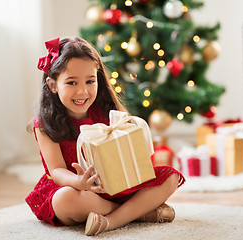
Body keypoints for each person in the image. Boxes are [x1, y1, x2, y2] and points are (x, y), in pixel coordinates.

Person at [25, 37, 185, 236]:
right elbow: (57, 170)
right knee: (65, 199)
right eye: (71, 82)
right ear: (53, 85)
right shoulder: (44, 123)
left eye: (90, 81)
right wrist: (79, 183)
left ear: (98, 79)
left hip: (115, 186)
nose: (82, 91)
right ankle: (137, 214)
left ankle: (111, 221)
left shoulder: (107, 112)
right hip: (77, 190)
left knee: (170, 177)